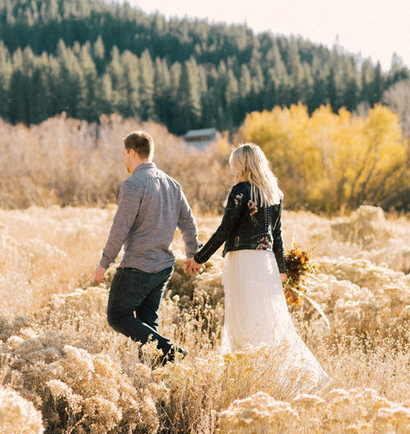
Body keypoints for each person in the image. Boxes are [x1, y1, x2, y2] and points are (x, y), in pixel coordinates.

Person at [186, 143, 328, 389]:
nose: (232, 167)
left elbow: (224, 229)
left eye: (234, 163)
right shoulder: (273, 193)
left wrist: (199, 258)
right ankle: (273, 379)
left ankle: (247, 379)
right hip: (266, 263)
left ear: (241, 164)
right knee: (268, 319)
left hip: (242, 260)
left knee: (243, 319)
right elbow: (278, 235)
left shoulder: (240, 191)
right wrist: (282, 270)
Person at [94, 131, 199, 363]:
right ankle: (153, 377)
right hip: (163, 267)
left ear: (132, 153)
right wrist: (192, 253)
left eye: (124, 154)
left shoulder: (133, 185)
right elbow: (189, 222)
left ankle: (171, 350)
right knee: (146, 325)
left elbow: (119, 228)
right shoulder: (172, 184)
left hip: (138, 266)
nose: (124, 160)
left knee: (117, 316)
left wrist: (104, 262)